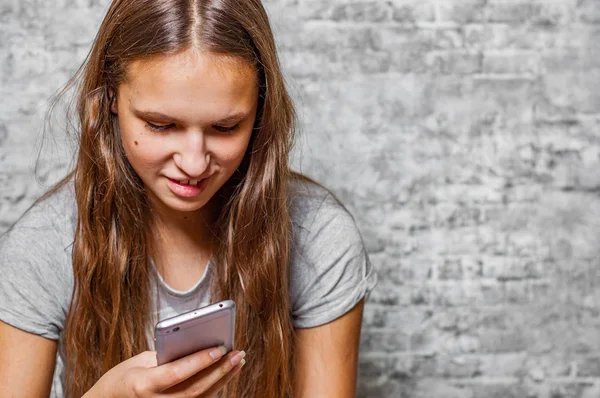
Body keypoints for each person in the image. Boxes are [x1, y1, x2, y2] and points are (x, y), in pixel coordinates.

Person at [0, 0, 377, 397]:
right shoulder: (43, 245)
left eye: (226, 126)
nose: (194, 164)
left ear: (261, 111)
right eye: (161, 125)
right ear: (111, 96)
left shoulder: (319, 237)